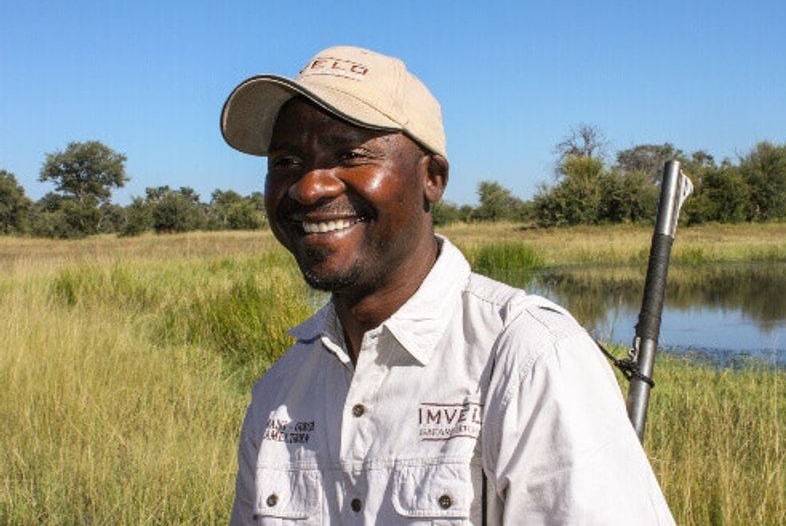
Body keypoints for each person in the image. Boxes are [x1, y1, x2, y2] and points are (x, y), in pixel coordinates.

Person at [221, 45, 675, 525]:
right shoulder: (279, 394)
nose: (309, 188)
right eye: (286, 161)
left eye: (350, 154)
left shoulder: (529, 362)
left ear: (432, 178)